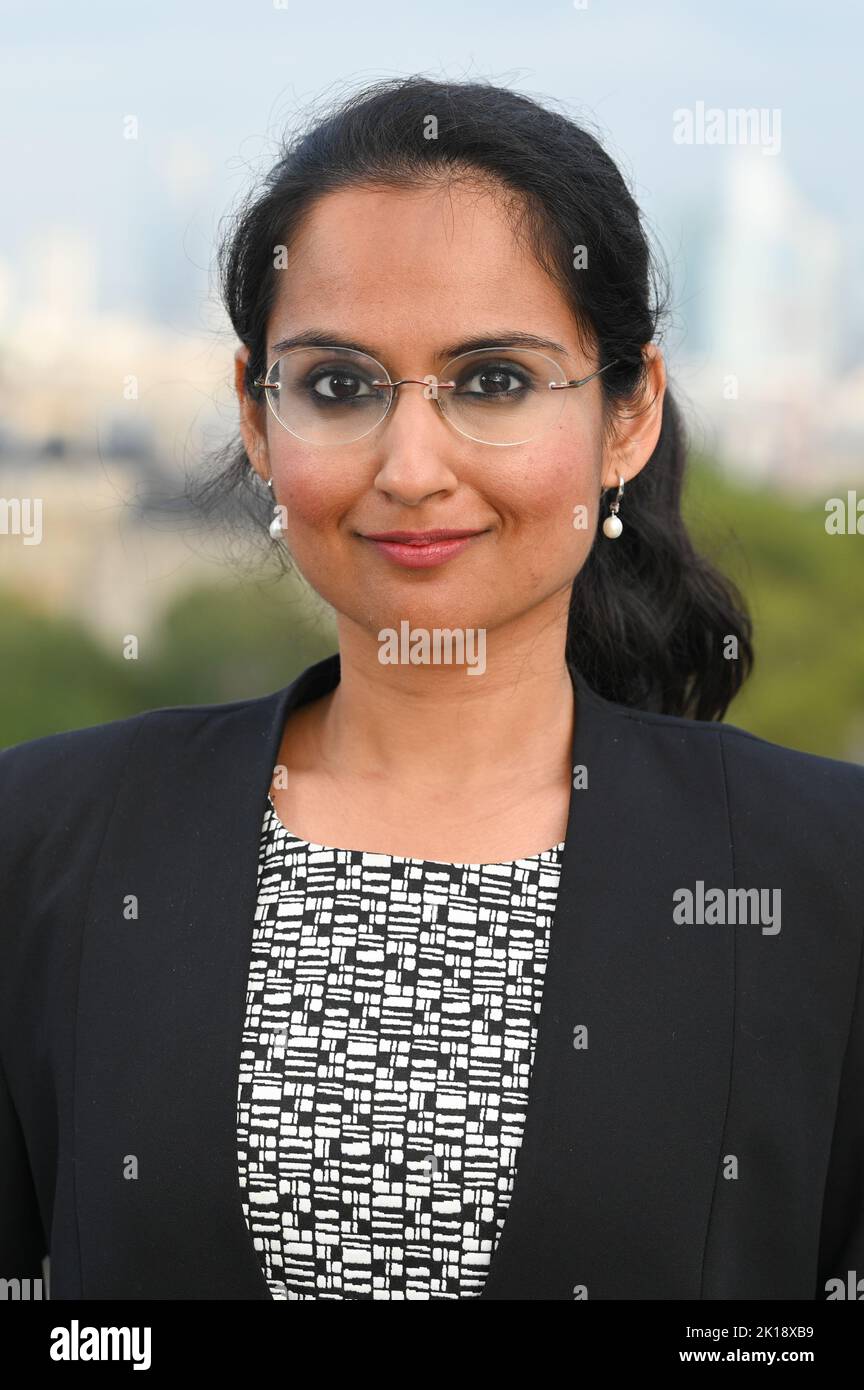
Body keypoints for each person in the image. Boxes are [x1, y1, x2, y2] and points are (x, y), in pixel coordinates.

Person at [1, 76, 862, 1302]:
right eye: (340, 387)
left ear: (629, 416)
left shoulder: (823, 877)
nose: (411, 467)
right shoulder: (44, 847)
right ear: (257, 415)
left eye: (494, 382)